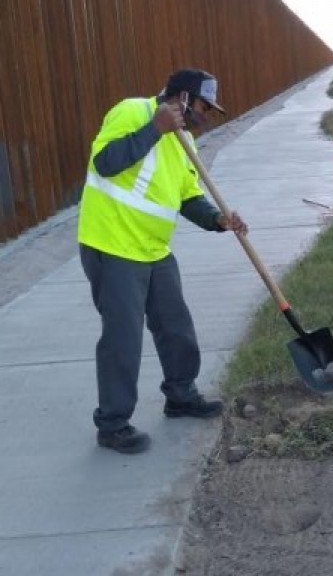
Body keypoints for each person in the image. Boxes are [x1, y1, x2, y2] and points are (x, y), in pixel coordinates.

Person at [77, 68, 248, 454]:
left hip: (154, 249)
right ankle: (113, 423)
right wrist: (155, 127)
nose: (205, 115)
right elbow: (105, 162)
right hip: (113, 244)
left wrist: (218, 220)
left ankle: (181, 395)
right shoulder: (132, 112)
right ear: (183, 98)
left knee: (176, 326)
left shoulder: (184, 141)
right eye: (203, 106)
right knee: (123, 338)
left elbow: (188, 197)